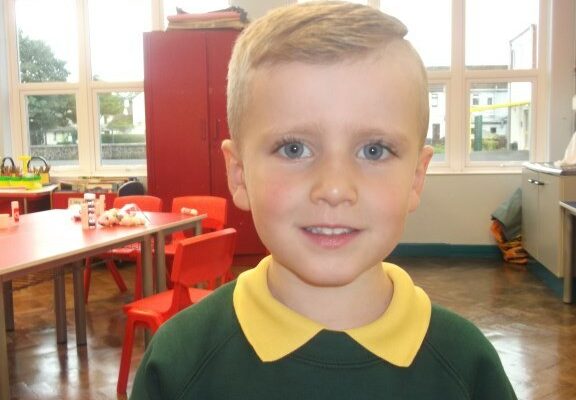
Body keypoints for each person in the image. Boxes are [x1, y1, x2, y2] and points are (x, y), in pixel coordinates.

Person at [130, 2, 517, 399]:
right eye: (294, 149)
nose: (334, 188)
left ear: (416, 177)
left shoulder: (467, 368)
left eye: (374, 151)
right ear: (240, 174)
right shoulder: (178, 364)